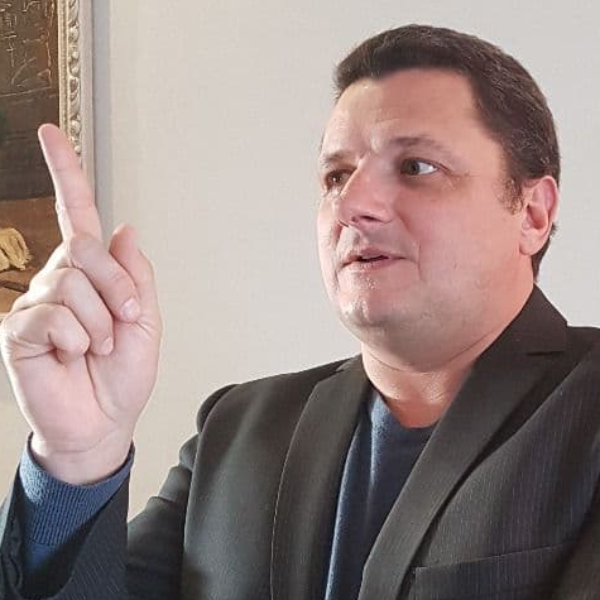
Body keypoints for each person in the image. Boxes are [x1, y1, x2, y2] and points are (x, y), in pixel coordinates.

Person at [0, 23, 599, 600]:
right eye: (337, 175)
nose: (354, 203)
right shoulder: (237, 431)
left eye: (416, 167)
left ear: (532, 213)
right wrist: (78, 458)